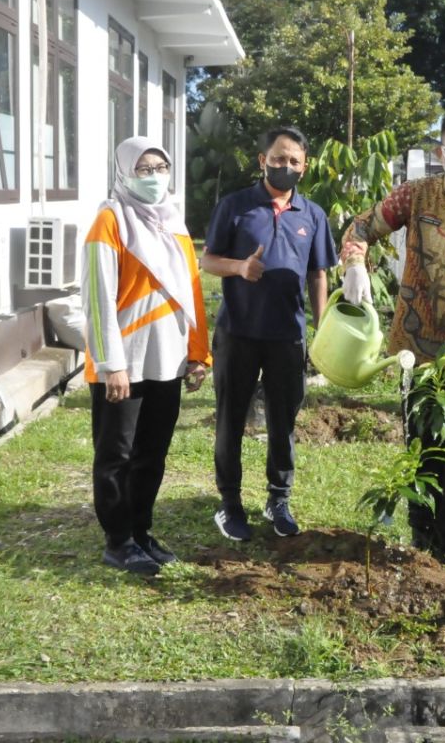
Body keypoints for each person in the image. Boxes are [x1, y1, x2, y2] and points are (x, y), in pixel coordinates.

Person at [340, 110, 445, 568]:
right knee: (420, 439)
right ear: (441, 152)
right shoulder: (415, 196)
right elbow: (361, 226)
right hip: (416, 345)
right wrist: (355, 264)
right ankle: (422, 535)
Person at [202, 126, 338, 541]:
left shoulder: (312, 215)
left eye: (294, 161)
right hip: (238, 332)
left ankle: (278, 500)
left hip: (287, 336)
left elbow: (318, 275)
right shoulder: (236, 206)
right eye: (278, 158)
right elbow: (207, 260)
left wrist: (321, 331)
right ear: (263, 161)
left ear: (305, 166)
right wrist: (240, 268)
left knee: (283, 421)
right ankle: (230, 504)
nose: (286, 166)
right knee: (231, 419)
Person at [82, 136, 211, 575]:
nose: (154, 177)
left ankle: (141, 531)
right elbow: (97, 300)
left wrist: (198, 353)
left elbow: (191, 291)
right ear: (123, 172)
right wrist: (110, 364)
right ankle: (117, 540)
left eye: (160, 167)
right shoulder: (110, 221)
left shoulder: (174, 223)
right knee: (116, 453)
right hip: (125, 361)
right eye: (143, 169)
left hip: (167, 359)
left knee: (152, 453)